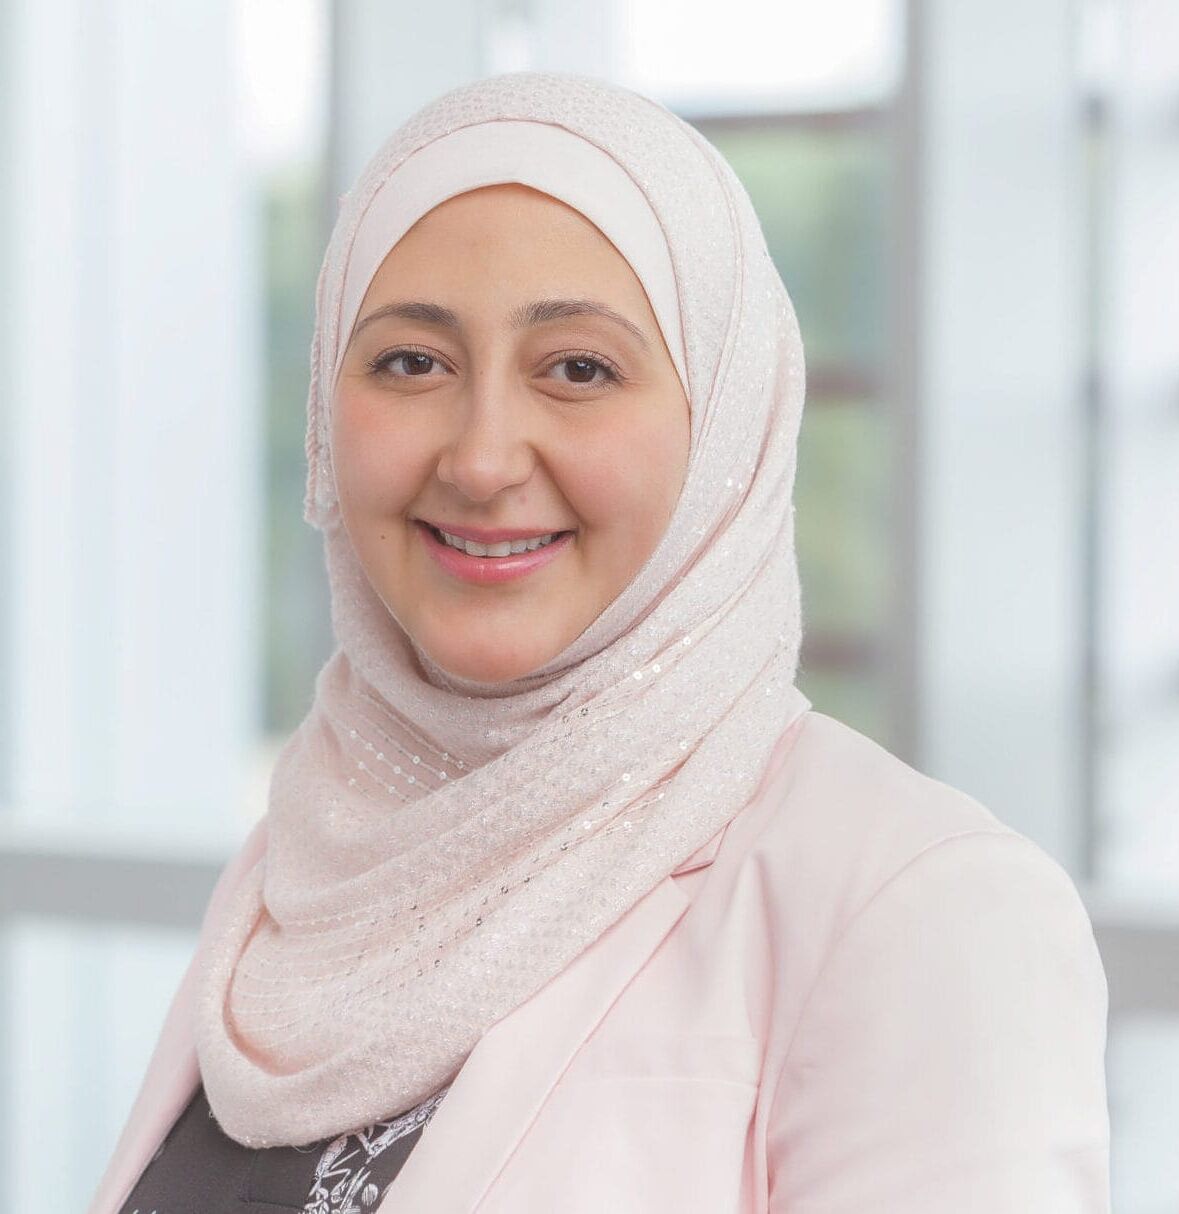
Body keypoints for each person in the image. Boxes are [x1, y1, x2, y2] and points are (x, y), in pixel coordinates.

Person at [88, 70, 1111, 1214]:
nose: (480, 460)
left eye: (578, 368)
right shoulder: (321, 853)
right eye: (410, 363)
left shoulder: (910, 908)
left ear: (725, 416)